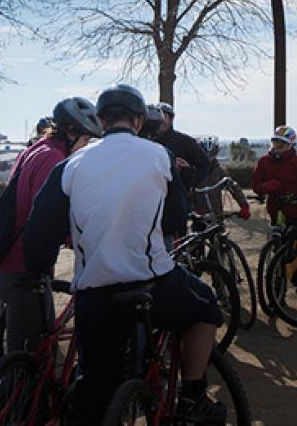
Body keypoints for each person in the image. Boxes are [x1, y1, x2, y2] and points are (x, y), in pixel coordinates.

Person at [62, 83, 224, 424]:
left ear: (101, 120)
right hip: (151, 282)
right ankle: (192, 397)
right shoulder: (159, 155)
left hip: (93, 292)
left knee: (95, 390)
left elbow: (44, 225)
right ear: (138, 121)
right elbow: (176, 218)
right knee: (207, 305)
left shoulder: (73, 162)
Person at [0, 97, 101, 353]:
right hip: (23, 268)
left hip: (12, 265)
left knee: (34, 348)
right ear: (71, 133)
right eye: (85, 140)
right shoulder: (53, 158)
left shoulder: (37, 149)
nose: (85, 147)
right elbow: (45, 216)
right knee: (30, 356)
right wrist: (82, 240)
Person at [251, 126, 297, 229]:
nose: (277, 147)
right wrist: (266, 186)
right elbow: (255, 185)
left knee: (296, 238)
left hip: (296, 210)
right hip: (275, 209)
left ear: (290, 145)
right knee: (277, 237)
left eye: (281, 145)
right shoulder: (264, 162)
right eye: (275, 143)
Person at [153, 101, 210, 189]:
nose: (160, 120)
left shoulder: (184, 141)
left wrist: (189, 178)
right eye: (157, 117)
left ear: (171, 119)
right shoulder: (148, 141)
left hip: (176, 194)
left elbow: (204, 164)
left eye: (164, 116)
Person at [190, 136, 250, 220]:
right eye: (205, 154)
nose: (208, 158)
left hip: (216, 214)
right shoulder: (192, 170)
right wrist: (190, 208)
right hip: (198, 215)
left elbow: (233, 186)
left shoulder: (219, 170)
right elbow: (185, 191)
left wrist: (244, 206)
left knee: (220, 226)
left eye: (211, 155)